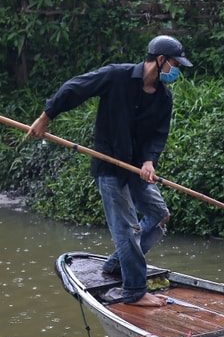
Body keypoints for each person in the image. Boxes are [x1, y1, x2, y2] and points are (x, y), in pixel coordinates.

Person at [27, 35, 192, 307]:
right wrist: (46, 117)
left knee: (159, 215)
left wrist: (150, 161)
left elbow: (158, 135)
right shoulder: (117, 76)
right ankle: (135, 292)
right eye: (174, 64)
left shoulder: (163, 97)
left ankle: (116, 263)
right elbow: (74, 88)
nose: (176, 71)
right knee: (126, 228)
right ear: (160, 59)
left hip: (137, 168)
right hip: (109, 165)